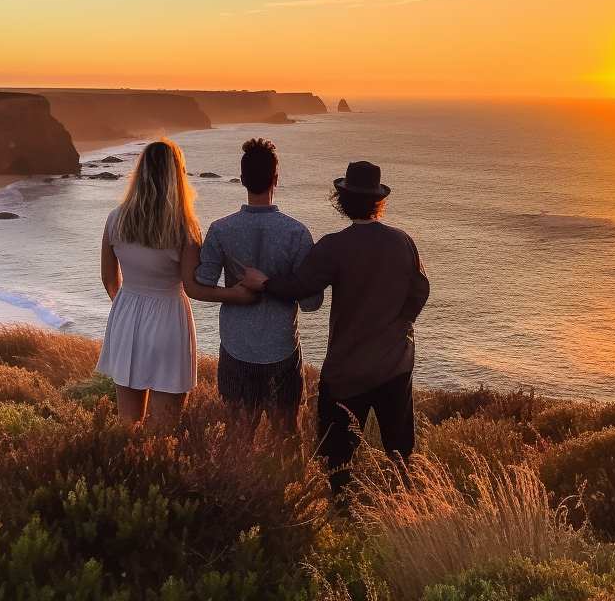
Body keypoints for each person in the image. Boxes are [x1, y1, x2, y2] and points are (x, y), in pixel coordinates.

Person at [240, 160, 429, 496]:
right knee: (399, 452)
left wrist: (263, 282)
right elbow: (420, 289)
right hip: (394, 363)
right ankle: (404, 512)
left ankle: (342, 512)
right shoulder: (403, 242)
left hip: (346, 370)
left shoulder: (333, 246)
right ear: (378, 201)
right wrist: (401, 324)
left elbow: (300, 286)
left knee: (337, 458)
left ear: (341, 200)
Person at [99, 139, 255, 430]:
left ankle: (124, 472)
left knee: (127, 424)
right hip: (168, 321)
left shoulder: (115, 219)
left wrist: (126, 309)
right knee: (162, 430)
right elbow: (194, 288)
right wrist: (234, 294)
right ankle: (153, 473)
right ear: (177, 175)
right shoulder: (183, 226)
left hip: (126, 317)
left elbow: (109, 278)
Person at [195, 138, 323, 435]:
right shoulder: (296, 233)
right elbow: (312, 303)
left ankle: (239, 483)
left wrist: (236, 295)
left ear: (241, 180)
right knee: (287, 439)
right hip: (282, 348)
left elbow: (203, 284)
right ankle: (287, 483)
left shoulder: (221, 229)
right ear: (276, 179)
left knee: (237, 441)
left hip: (235, 347)